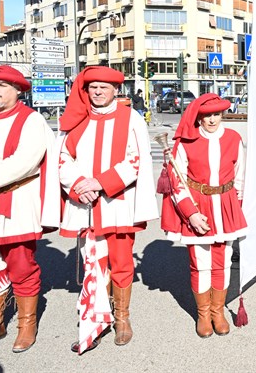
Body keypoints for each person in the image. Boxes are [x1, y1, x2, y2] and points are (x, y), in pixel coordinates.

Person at [58, 66, 158, 350]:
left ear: (116, 90)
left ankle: (122, 318)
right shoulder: (77, 119)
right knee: (94, 261)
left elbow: (137, 159)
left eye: (104, 87)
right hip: (84, 203)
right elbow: (63, 158)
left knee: (122, 262)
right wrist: (79, 184)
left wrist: (99, 183)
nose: (98, 92)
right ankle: (97, 316)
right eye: (93, 88)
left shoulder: (131, 118)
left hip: (118, 203)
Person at [0, 66, 59, 353]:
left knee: (21, 265)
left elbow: (23, 162)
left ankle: (27, 325)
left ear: (17, 90)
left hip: (16, 204)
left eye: (2, 85)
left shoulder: (31, 121)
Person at [160, 93, 247, 338]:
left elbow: (240, 175)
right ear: (199, 116)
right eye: (207, 115)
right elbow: (176, 181)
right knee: (201, 265)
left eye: (216, 114)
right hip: (198, 206)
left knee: (223, 262)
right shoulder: (186, 141)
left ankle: (217, 312)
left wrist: (235, 208)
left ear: (222, 114)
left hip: (226, 206)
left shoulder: (233, 138)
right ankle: (203, 314)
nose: (212, 120)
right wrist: (191, 214)